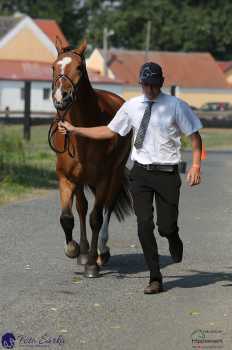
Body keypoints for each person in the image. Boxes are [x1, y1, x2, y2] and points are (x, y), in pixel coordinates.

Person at [58, 62, 203, 295]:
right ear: (140, 84)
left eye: (154, 85)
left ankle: (173, 237)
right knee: (144, 225)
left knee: (165, 226)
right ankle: (155, 277)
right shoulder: (131, 107)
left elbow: (194, 137)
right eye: (146, 85)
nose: (150, 89)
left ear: (161, 83)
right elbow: (109, 131)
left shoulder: (176, 106)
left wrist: (196, 164)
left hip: (167, 173)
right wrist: (75, 130)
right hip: (141, 173)